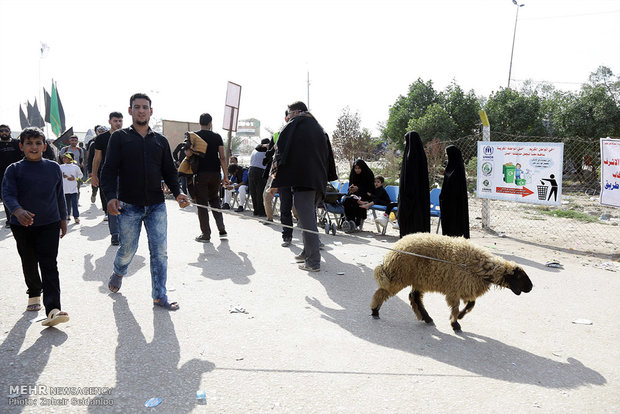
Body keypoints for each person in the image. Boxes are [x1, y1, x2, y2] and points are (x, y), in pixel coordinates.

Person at [100, 93, 190, 311]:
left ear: (151, 111)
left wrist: (178, 193)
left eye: (145, 107)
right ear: (130, 111)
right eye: (137, 107)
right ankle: (119, 271)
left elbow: (169, 170)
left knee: (160, 252)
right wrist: (111, 197)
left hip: (156, 205)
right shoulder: (119, 138)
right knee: (128, 249)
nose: (141, 110)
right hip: (128, 206)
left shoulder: (160, 141)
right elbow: (109, 170)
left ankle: (159, 295)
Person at [1, 127, 69, 326]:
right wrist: (17, 211)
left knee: (49, 264)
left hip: (49, 223)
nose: (34, 147)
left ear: (44, 146)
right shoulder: (13, 169)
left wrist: (63, 219)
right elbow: (8, 194)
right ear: (21, 146)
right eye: (29, 143)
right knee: (29, 261)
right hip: (21, 226)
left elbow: (59, 195)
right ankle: (33, 292)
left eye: (38, 143)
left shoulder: (53, 167)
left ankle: (53, 309)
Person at [271, 101, 336, 272]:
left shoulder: (296, 124)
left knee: (307, 222)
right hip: (318, 181)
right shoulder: (317, 126)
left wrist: (275, 173)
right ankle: (307, 251)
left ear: (297, 111)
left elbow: (281, 149)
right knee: (309, 217)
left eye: (289, 113)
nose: (288, 116)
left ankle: (313, 261)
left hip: (304, 181)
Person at [190, 113, 229, 243]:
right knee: (215, 200)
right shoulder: (217, 137)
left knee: (202, 204)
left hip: (202, 174)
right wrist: (226, 176)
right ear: (210, 123)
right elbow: (222, 157)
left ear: (200, 122)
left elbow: (188, 154)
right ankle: (221, 228)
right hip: (216, 174)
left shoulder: (194, 136)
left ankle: (205, 234)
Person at [91, 112, 123, 245]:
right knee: (112, 203)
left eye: (120, 121)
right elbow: (97, 158)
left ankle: (125, 232)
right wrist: (94, 175)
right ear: (109, 121)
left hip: (126, 176)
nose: (118, 123)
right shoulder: (101, 138)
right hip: (109, 175)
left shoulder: (127, 136)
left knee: (127, 205)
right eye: (115, 121)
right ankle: (115, 234)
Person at [398, 131, 430, 237]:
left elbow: (409, 181)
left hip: (410, 198)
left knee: (409, 225)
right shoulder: (421, 156)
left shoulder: (410, 157)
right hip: (420, 198)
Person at [439, 145, 470, 238]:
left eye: (447, 154)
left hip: (454, 203)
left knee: (454, 223)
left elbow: (453, 188)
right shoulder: (451, 168)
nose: (446, 156)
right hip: (449, 203)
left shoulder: (456, 170)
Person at [0, 124, 23, 227]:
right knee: (7, 197)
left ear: (10, 132)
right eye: (1, 131)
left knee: (22, 196)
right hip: (3, 176)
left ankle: (23, 217)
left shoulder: (17, 143)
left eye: (6, 130)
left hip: (19, 174)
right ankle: (10, 220)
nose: (4, 132)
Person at [343, 159, 375, 229]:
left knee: (354, 200)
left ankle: (357, 221)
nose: (357, 170)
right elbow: (351, 185)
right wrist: (351, 188)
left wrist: (359, 188)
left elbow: (371, 188)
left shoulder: (368, 174)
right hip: (355, 194)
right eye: (355, 168)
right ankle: (350, 220)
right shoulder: (353, 174)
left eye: (359, 168)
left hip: (366, 195)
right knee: (346, 199)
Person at [248, 138, 269, 217]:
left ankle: (256, 210)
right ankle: (261, 212)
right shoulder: (265, 151)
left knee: (254, 192)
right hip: (259, 172)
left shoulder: (254, 150)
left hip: (251, 171)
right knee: (260, 192)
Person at [60, 153, 83, 224]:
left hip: (73, 189)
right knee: (67, 203)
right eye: (63, 158)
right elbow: (57, 175)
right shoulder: (60, 167)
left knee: (74, 203)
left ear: (70, 159)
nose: (63, 159)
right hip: (65, 189)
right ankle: (68, 214)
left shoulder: (75, 167)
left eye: (65, 158)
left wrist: (75, 178)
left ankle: (76, 216)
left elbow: (80, 175)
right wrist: (62, 176)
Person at [87, 125, 106, 203]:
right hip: (96, 169)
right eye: (99, 131)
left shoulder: (110, 140)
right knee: (95, 186)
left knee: (104, 189)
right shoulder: (92, 143)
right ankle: (94, 194)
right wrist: (90, 171)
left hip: (106, 169)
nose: (101, 133)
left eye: (103, 131)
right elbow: (90, 158)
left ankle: (105, 209)